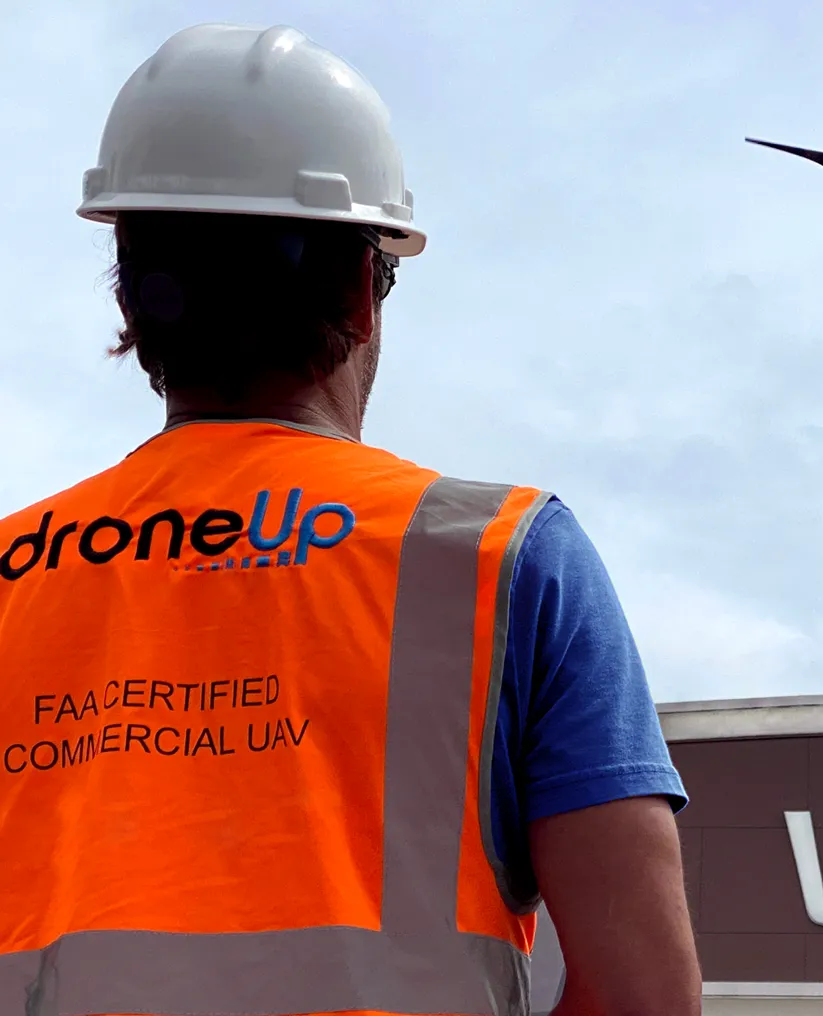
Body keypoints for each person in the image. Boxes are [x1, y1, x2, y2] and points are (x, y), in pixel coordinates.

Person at [0, 22, 700, 1016]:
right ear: (362, 298)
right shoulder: (504, 558)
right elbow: (646, 996)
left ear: (136, 303)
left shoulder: (9, 572)